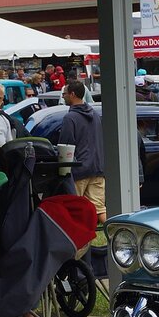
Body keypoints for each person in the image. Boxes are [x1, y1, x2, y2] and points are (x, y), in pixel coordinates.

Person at [59, 81, 105, 222]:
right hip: (97, 167)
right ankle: (117, 237)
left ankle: (81, 244)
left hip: (78, 170)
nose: (63, 96)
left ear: (72, 94)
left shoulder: (70, 118)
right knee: (99, 209)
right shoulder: (95, 115)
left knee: (77, 209)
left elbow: (65, 146)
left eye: (64, 94)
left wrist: (62, 171)